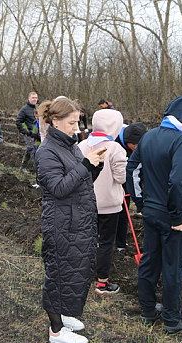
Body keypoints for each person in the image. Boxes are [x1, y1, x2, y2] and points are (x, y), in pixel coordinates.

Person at [127, 94, 182, 334]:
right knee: (172, 267)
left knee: (150, 261)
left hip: (151, 212)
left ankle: (149, 311)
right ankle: (172, 320)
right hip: (173, 219)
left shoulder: (149, 135)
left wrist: (141, 203)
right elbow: (178, 182)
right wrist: (178, 218)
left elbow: (132, 169)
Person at [35, 96, 107, 343]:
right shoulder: (46, 152)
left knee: (73, 272)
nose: (76, 128)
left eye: (77, 122)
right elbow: (58, 188)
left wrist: (94, 165)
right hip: (61, 224)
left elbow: (80, 179)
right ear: (55, 121)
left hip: (78, 222)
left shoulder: (70, 146)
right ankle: (56, 331)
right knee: (58, 274)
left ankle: (64, 315)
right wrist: (86, 164)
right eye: (71, 123)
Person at [79, 109, 127, 295]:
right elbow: (121, 178)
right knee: (106, 242)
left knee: (86, 239)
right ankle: (102, 283)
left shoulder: (82, 145)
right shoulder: (116, 148)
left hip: (85, 203)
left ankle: (83, 275)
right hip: (109, 206)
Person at [114, 122, 148, 252]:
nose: (137, 148)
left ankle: (122, 244)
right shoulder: (116, 145)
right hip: (115, 185)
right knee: (113, 215)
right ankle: (108, 241)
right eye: (135, 146)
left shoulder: (141, 143)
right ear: (129, 143)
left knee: (124, 214)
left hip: (128, 186)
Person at [15, 92, 40, 173]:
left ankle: (24, 166)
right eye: (33, 98)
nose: (34, 99)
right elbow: (19, 121)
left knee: (37, 149)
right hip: (29, 134)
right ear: (29, 98)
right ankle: (35, 169)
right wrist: (25, 131)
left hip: (38, 133)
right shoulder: (24, 109)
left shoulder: (39, 108)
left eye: (36, 98)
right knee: (31, 149)